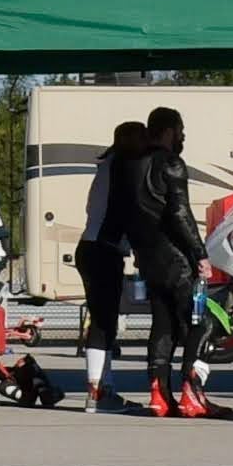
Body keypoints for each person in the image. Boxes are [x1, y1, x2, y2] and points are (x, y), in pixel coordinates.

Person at [120, 106, 210, 417]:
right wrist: (200, 254)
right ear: (170, 130)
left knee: (164, 325)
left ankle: (159, 395)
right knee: (203, 322)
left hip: (148, 259)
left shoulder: (129, 165)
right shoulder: (171, 163)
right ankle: (192, 394)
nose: (183, 136)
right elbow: (180, 214)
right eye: (181, 130)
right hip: (176, 258)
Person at [74, 120, 145, 412]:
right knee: (104, 322)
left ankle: (101, 388)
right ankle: (98, 394)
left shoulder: (106, 166)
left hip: (90, 248)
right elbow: (130, 212)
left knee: (102, 320)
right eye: (142, 140)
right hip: (105, 250)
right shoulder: (123, 168)